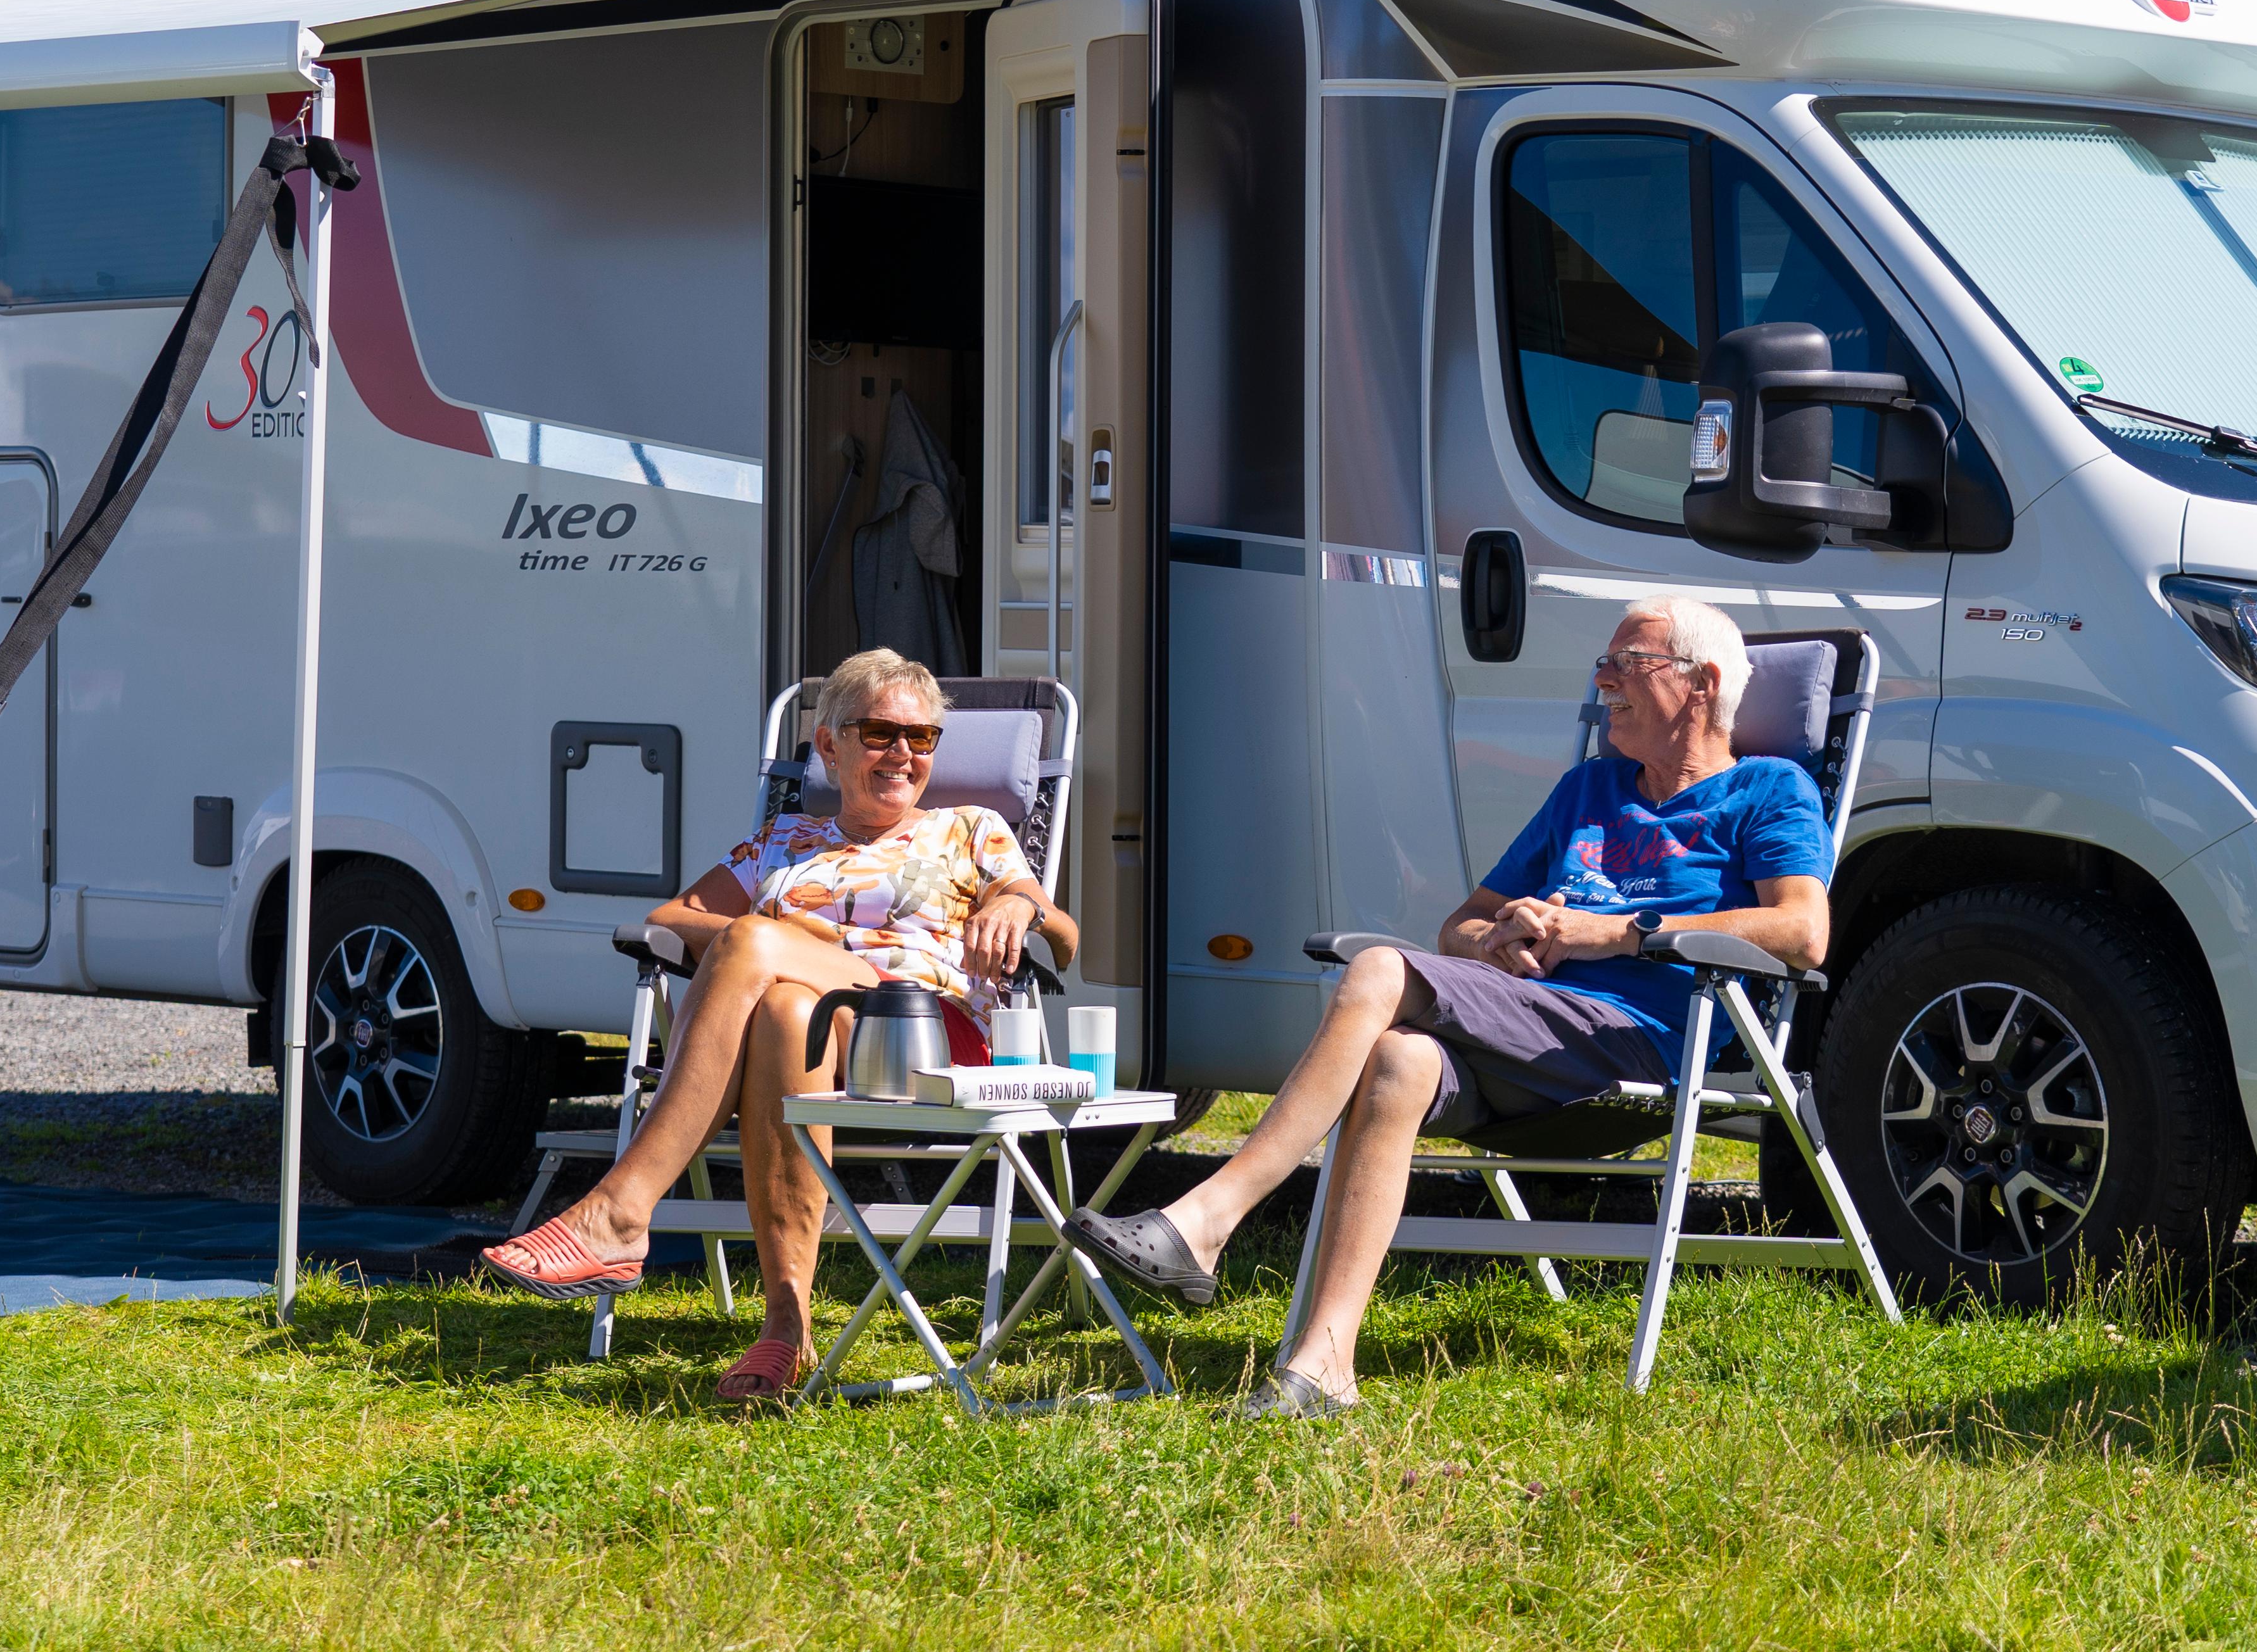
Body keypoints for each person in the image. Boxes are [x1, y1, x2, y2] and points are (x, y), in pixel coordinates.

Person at [1068, 595, 1828, 1417]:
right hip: (1532, 1030)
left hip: (1640, 1043)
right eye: (1603, 663)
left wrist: (1612, 933)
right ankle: (1325, 1365)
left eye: (1626, 663)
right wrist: (1502, 939)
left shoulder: (1767, 790)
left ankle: (1213, 1214)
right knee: (1399, 1060)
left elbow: (1803, 931)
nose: (1601, 679)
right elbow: (1460, 923)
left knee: (1378, 971)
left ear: (1704, 683)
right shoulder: (1588, 791)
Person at [482, 646, 1075, 1402]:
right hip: (811, 1030)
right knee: (783, 1004)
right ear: (829, 744)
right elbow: (671, 918)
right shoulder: (785, 840)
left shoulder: (970, 827)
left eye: (922, 738)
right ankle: (784, 1332)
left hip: (920, 1033)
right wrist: (790, 953)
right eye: (881, 733)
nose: (904, 753)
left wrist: (1018, 903)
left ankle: (621, 1211)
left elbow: (1065, 935)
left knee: (752, 941)